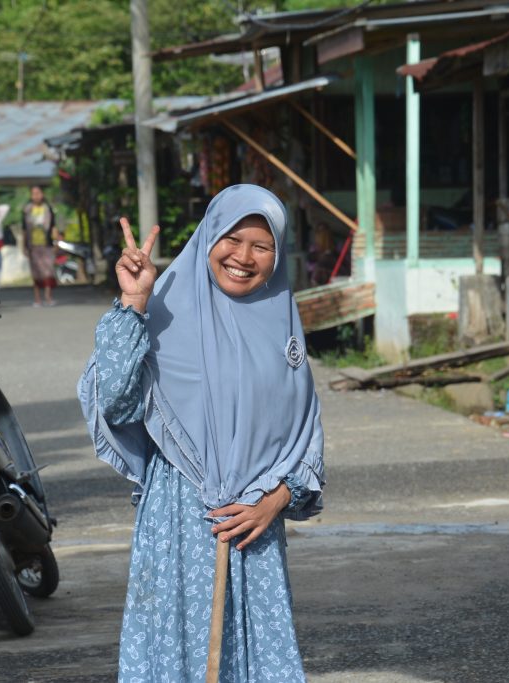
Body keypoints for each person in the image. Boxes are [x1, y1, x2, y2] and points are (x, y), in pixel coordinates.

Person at [78, 184, 324, 682]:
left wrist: (274, 501)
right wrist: (134, 302)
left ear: (278, 254)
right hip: (178, 521)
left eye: (263, 245)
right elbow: (117, 403)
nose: (244, 257)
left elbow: (304, 436)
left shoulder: (283, 327)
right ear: (208, 236)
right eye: (232, 238)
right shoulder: (164, 312)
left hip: (253, 532)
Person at [22, 185, 59, 306]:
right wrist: (24, 245)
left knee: (48, 271)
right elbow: (24, 230)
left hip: (47, 244)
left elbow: (53, 226)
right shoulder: (27, 210)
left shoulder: (47, 209)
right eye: (33, 193)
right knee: (36, 272)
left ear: (42, 194)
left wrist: (56, 242)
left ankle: (48, 297)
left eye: (38, 193)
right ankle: (37, 299)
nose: (36, 196)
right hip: (33, 245)